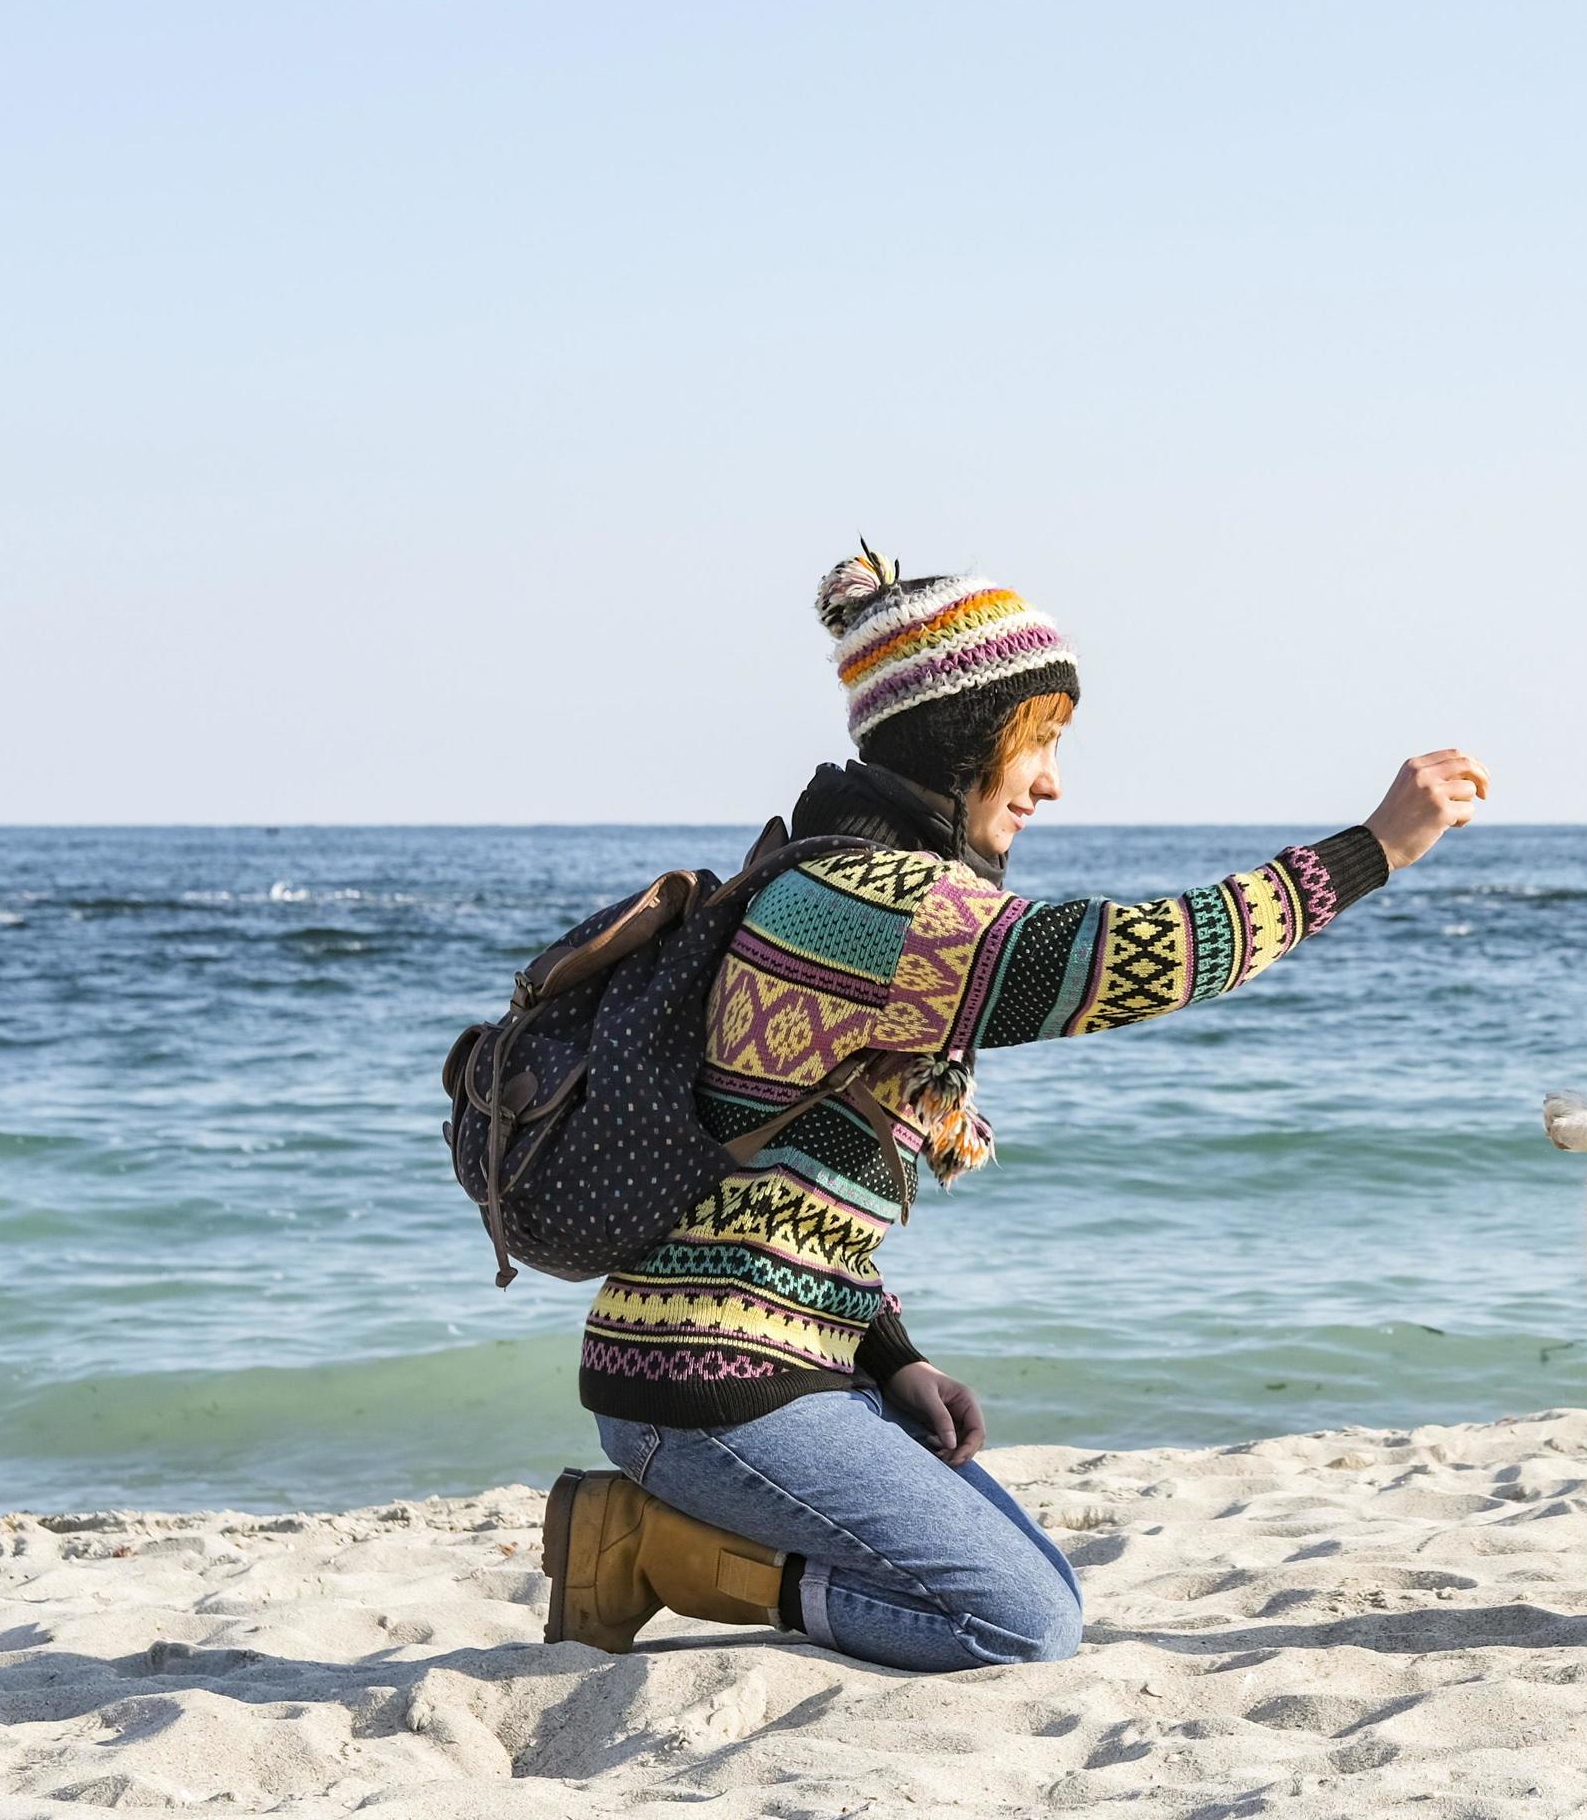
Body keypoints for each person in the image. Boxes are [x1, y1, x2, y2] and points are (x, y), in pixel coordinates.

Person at [543, 547, 1490, 1672]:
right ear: (957, 745)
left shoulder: (843, 878)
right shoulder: (861, 901)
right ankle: (650, 1550)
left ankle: (677, 1529)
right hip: (704, 1390)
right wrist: (1373, 848)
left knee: (1035, 1585)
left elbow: (788, 1185)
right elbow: (1130, 958)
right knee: (1017, 1623)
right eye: (1033, 744)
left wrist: (889, 1354)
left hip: (761, 1367)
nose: (1049, 782)